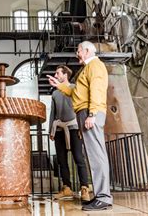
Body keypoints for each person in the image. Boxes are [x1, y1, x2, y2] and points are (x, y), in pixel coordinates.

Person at [48, 41, 113, 211]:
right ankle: (100, 196)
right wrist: (59, 86)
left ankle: (104, 197)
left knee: (96, 155)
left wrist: (92, 114)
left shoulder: (95, 66)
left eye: (78, 50)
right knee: (93, 155)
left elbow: (97, 90)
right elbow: (76, 93)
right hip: (84, 111)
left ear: (87, 51)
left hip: (89, 112)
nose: (77, 53)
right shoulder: (86, 69)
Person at [49, 65, 90, 201]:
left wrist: (81, 127)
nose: (55, 75)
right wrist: (51, 130)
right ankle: (67, 188)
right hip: (59, 128)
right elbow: (53, 113)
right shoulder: (55, 93)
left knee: (79, 157)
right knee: (61, 160)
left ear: (65, 74)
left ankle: (84, 187)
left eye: (57, 73)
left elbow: (80, 107)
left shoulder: (74, 88)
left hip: (74, 127)